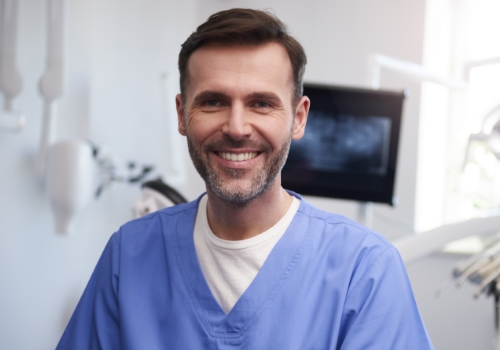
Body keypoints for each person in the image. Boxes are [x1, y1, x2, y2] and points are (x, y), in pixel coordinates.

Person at [56, 8, 434, 349]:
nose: (237, 128)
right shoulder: (130, 255)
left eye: (262, 104)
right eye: (213, 101)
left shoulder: (364, 270)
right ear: (182, 114)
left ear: (298, 118)